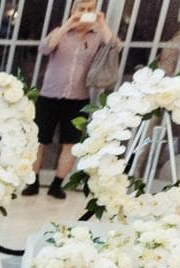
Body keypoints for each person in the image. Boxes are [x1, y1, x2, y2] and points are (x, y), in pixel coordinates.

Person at [23, 0, 114, 199]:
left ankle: (57, 184)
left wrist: (102, 24)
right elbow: (45, 48)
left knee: (70, 144)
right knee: (39, 141)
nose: (85, 13)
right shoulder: (61, 32)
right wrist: (68, 25)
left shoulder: (97, 36)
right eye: (81, 9)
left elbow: (115, 47)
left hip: (78, 98)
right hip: (49, 95)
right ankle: (33, 182)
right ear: (73, 10)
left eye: (90, 9)